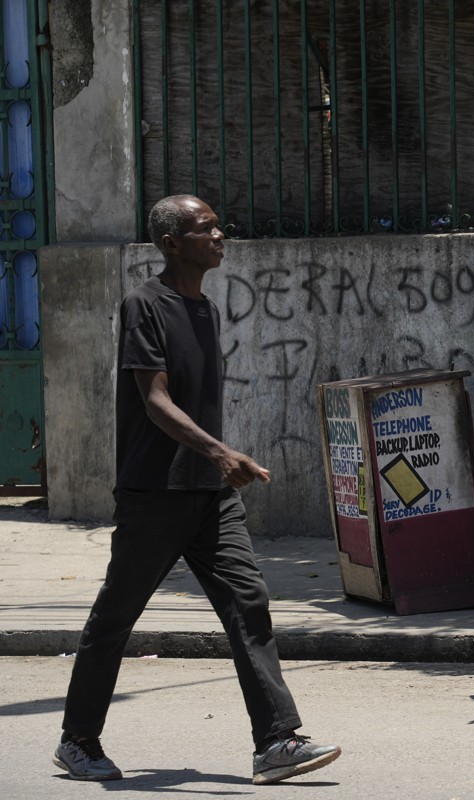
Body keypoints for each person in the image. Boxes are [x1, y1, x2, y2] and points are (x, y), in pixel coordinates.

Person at [53, 196, 341, 784]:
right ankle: (77, 740)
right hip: (153, 492)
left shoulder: (205, 310)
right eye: (205, 228)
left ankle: (276, 742)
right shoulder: (144, 305)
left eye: (217, 226)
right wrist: (219, 450)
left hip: (208, 494)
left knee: (248, 602)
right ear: (172, 243)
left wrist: (215, 464)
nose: (220, 235)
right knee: (115, 619)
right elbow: (155, 400)